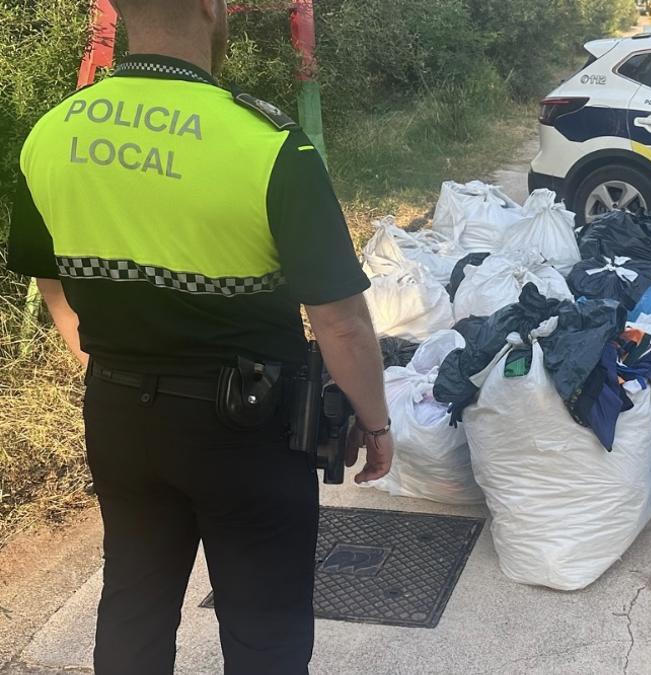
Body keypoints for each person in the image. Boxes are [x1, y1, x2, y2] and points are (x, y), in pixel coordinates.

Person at [5, 0, 392, 672]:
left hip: (121, 416)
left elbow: (51, 282)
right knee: (263, 628)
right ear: (213, 10)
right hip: (249, 432)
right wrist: (376, 423)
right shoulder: (268, 143)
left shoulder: (52, 132)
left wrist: (106, 367)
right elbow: (340, 321)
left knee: (134, 603)